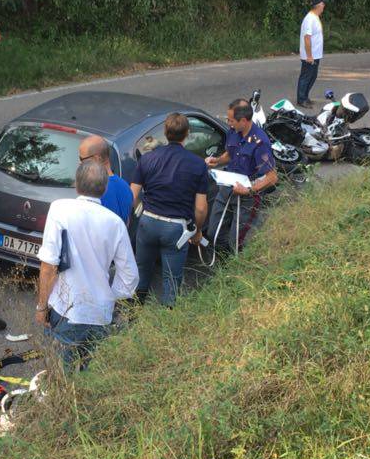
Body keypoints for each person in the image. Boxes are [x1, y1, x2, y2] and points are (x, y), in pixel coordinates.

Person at [36, 159, 138, 370]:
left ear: (76, 183)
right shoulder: (115, 223)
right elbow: (130, 277)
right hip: (100, 313)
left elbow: (48, 266)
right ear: (105, 188)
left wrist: (42, 306)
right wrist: (109, 295)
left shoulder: (60, 209)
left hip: (66, 310)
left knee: (63, 374)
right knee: (91, 375)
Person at [129, 113, 209, 307]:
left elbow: (132, 194)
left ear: (165, 133)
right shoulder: (198, 164)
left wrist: (141, 210)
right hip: (176, 229)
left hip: (148, 222)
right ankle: (168, 316)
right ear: (188, 133)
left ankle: (134, 312)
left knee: (142, 268)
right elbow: (200, 207)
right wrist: (197, 231)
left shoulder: (148, 159)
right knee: (172, 278)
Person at [204, 100, 279, 250]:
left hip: (247, 196)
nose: (228, 122)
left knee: (237, 241)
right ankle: (223, 260)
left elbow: (272, 177)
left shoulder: (260, 142)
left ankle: (235, 265)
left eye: (231, 120)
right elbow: (231, 154)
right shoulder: (233, 131)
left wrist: (249, 190)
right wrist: (217, 160)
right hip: (227, 188)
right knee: (213, 233)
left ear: (243, 121)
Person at [78, 135, 132, 225]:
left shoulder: (97, 191)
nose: (79, 163)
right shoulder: (125, 186)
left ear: (97, 159)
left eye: (82, 159)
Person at [296, 0, 326, 109]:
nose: (324, 6)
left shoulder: (315, 17)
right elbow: (307, 38)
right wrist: (309, 55)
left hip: (315, 54)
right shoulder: (309, 19)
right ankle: (301, 99)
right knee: (306, 76)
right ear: (318, 5)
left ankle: (305, 96)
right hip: (310, 55)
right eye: (323, 4)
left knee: (312, 76)